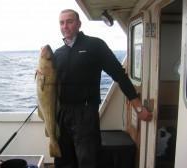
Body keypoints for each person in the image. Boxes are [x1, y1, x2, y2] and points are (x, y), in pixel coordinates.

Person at [53, 9, 152, 168]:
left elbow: (118, 74)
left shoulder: (95, 45)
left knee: (88, 160)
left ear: (78, 24)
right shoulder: (57, 53)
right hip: (62, 113)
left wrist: (138, 107)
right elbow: (50, 87)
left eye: (70, 21)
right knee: (63, 160)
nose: (65, 26)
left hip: (85, 113)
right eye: (62, 22)